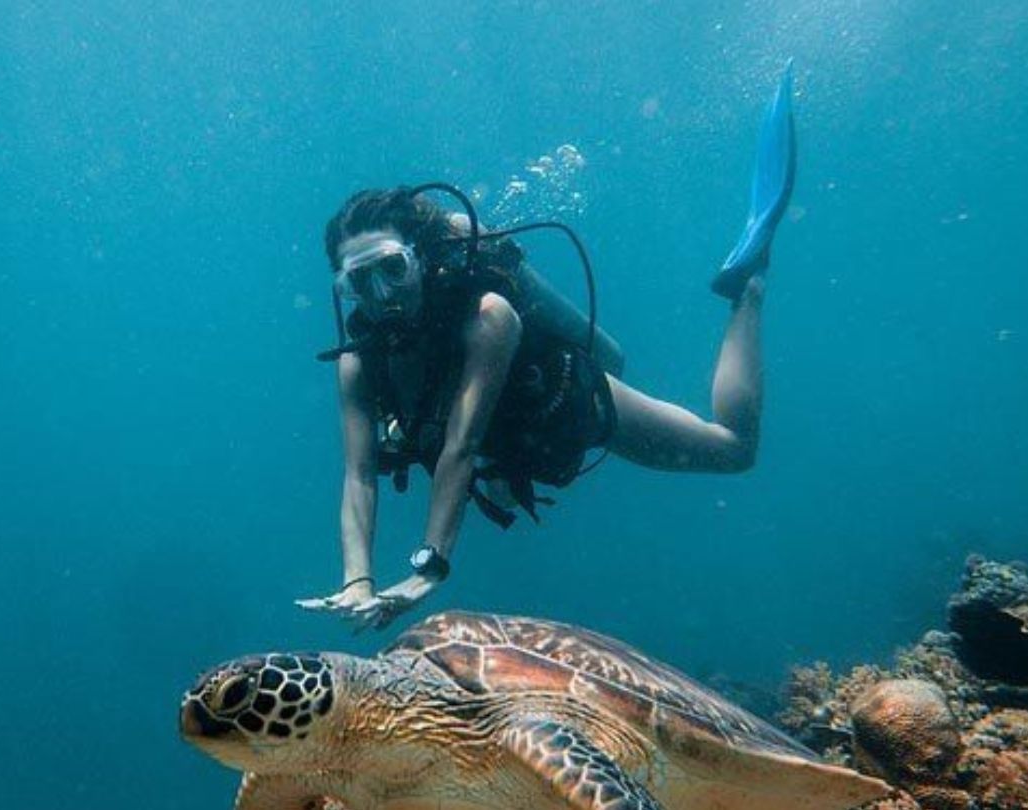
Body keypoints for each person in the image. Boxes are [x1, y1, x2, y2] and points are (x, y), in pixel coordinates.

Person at [297, 63, 796, 630]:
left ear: (421, 259)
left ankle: (746, 288)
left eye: (392, 269)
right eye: (360, 282)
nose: (382, 294)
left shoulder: (489, 317)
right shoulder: (359, 364)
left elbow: (462, 445)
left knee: (733, 450)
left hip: (561, 406)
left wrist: (429, 566)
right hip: (502, 452)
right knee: (501, 485)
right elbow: (359, 475)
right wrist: (355, 579)